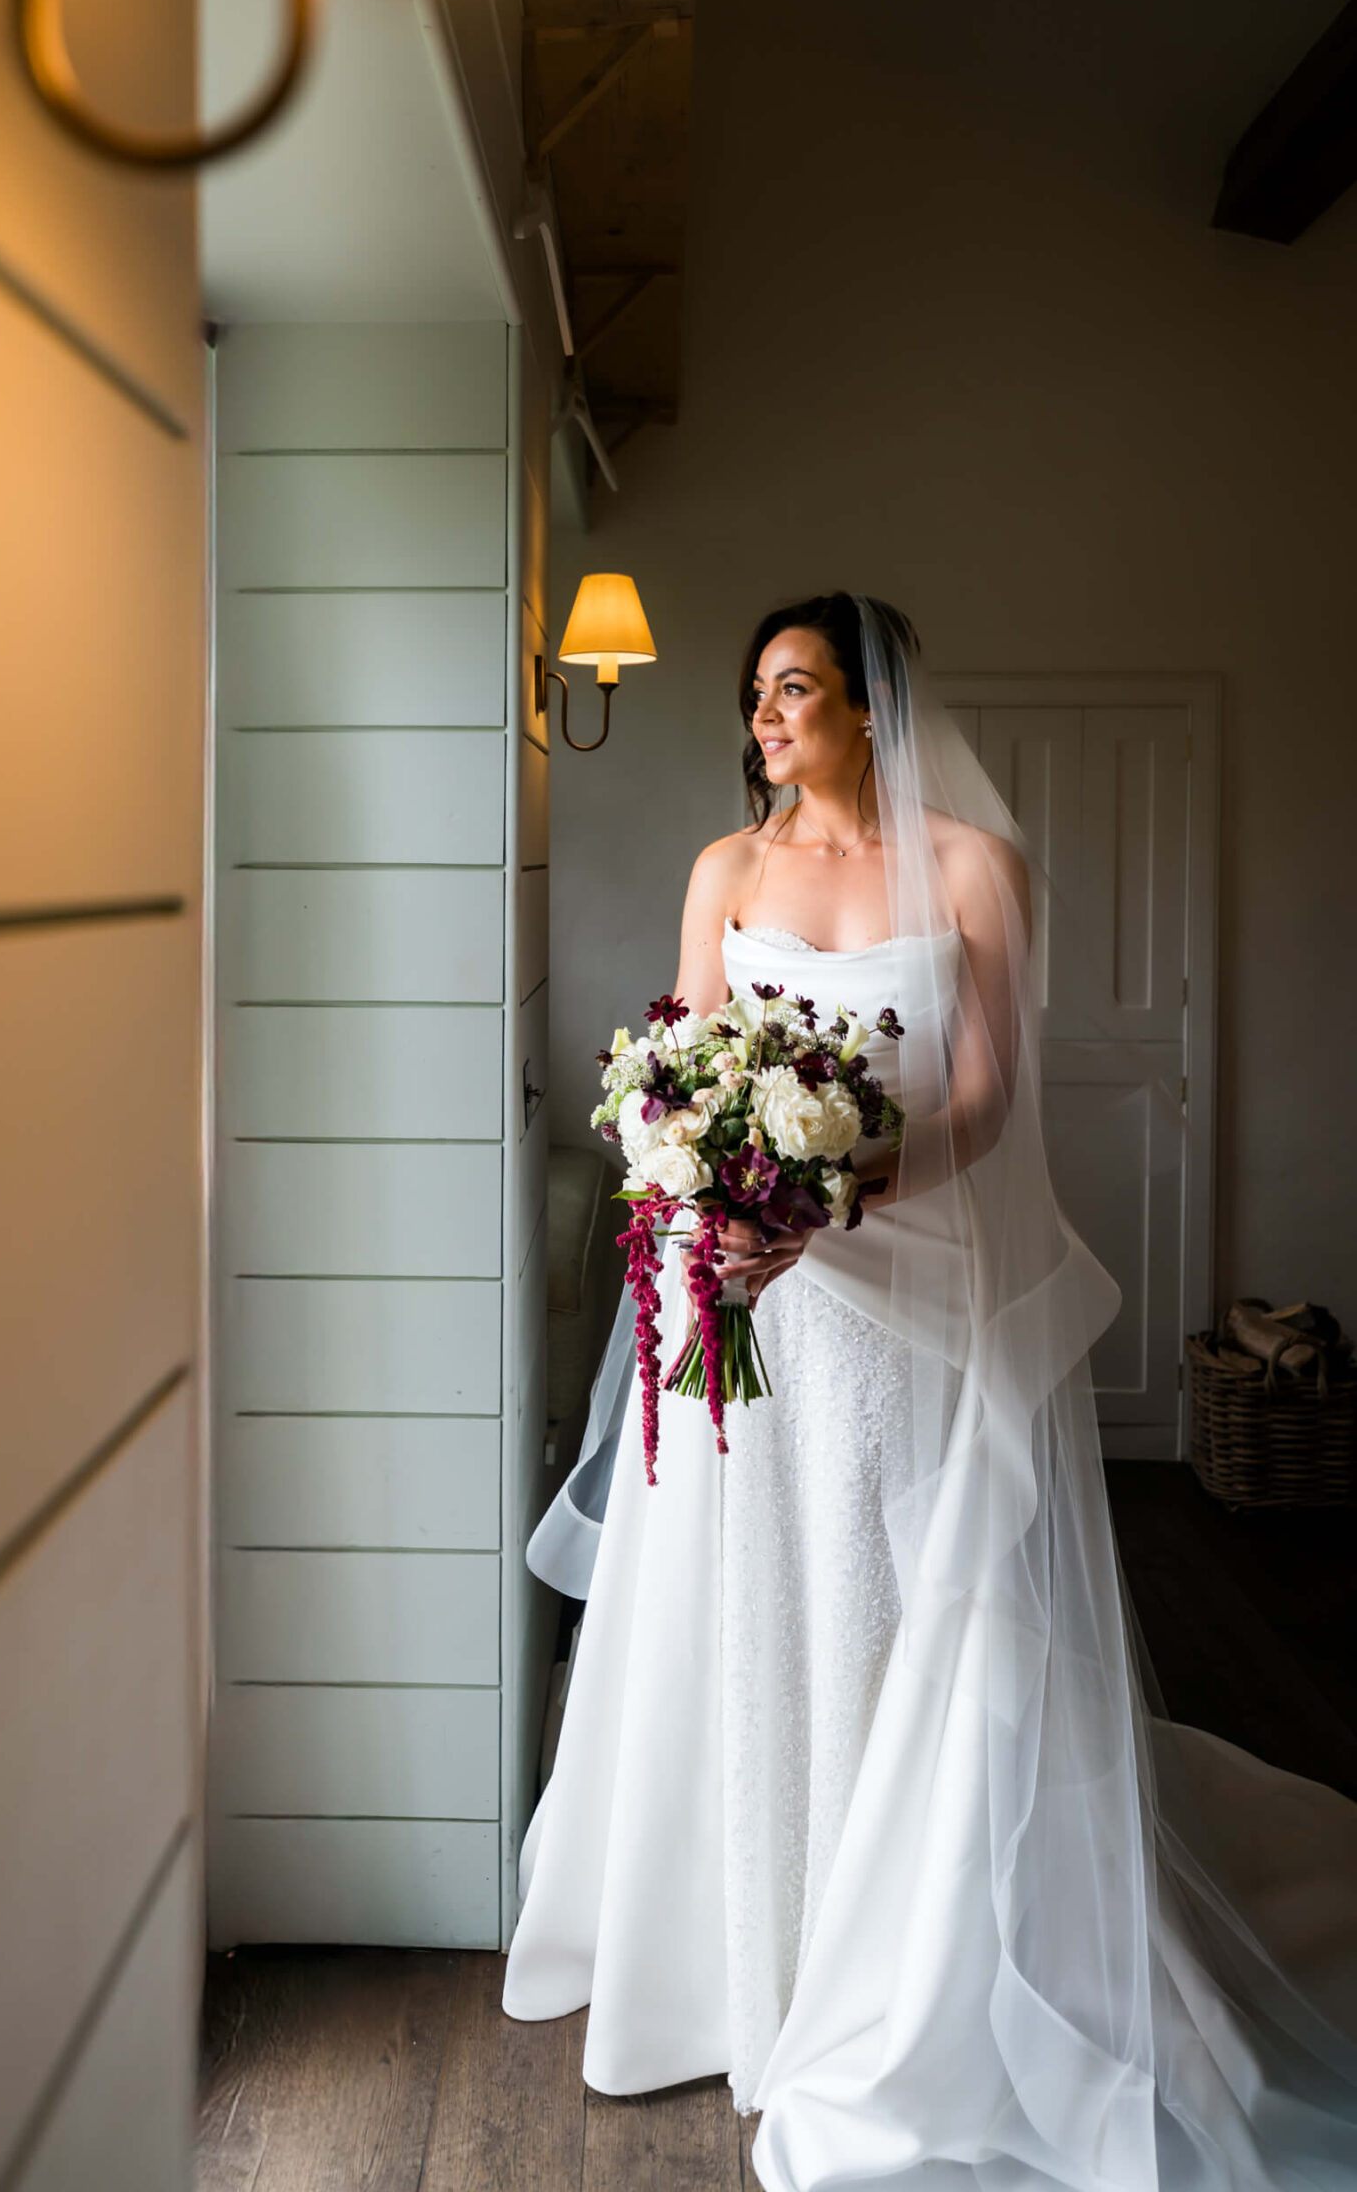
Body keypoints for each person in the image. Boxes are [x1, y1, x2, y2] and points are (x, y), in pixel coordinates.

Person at [502, 592, 1357, 2190]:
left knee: (894, 1599)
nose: (764, 716)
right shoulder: (729, 869)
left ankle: (892, 1969)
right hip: (748, 1305)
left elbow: (981, 1101)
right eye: (756, 693)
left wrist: (825, 1202)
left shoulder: (972, 867)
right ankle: (728, 1962)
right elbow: (684, 1055)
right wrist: (714, 1203)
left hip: (897, 1300)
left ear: (873, 707)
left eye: (796, 688)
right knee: (744, 1602)